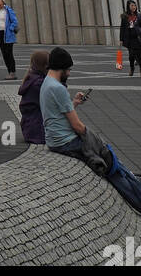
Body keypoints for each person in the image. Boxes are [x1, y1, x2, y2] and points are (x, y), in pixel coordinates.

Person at [41, 47, 141, 212]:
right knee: (110, 164)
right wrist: (94, 140)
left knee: (111, 157)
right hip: (66, 142)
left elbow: (57, 115)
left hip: (54, 139)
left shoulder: (46, 83)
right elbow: (77, 126)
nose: (70, 73)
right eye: (68, 70)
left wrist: (74, 103)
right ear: (62, 68)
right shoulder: (59, 89)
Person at [18, 49, 50, 143]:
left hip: (30, 128)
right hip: (37, 131)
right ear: (45, 66)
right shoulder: (39, 83)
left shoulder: (32, 78)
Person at [0, 0, 19, 79]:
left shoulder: (8, 10)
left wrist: (10, 28)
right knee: (4, 54)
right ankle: (9, 72)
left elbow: (15, 21)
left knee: (9, 53)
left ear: (3, 1)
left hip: (7, 34)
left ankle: (13, 72)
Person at [119, 0, 141, 76]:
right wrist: (121, 39)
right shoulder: (125, 16)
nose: (134, 7)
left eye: (134, 5)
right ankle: (132, 68)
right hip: (129, 39)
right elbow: (122, 28)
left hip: (137, 38)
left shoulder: (138, 15)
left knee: (139, 55)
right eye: (132, 5)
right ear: (128, 6)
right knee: (131, 55)